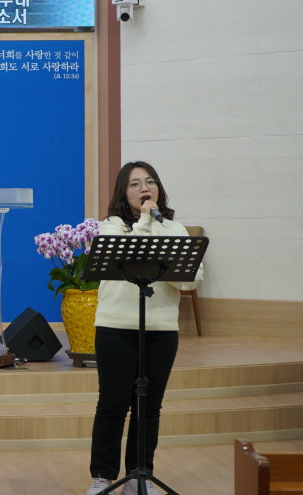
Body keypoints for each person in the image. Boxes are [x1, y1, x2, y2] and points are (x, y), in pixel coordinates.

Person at [85, 162, 204, 495]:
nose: (144, 188)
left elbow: (190, 281)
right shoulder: (111, 227)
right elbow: (133, 258)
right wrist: (147, 221)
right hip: (115, 327)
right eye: (135, 184)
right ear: (123, 192)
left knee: (149, 407)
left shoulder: (175, 229)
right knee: (112, 405)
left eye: (150, 182)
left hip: (161, 329)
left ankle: (141, 475)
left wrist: (159, 225)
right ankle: (103, 477)